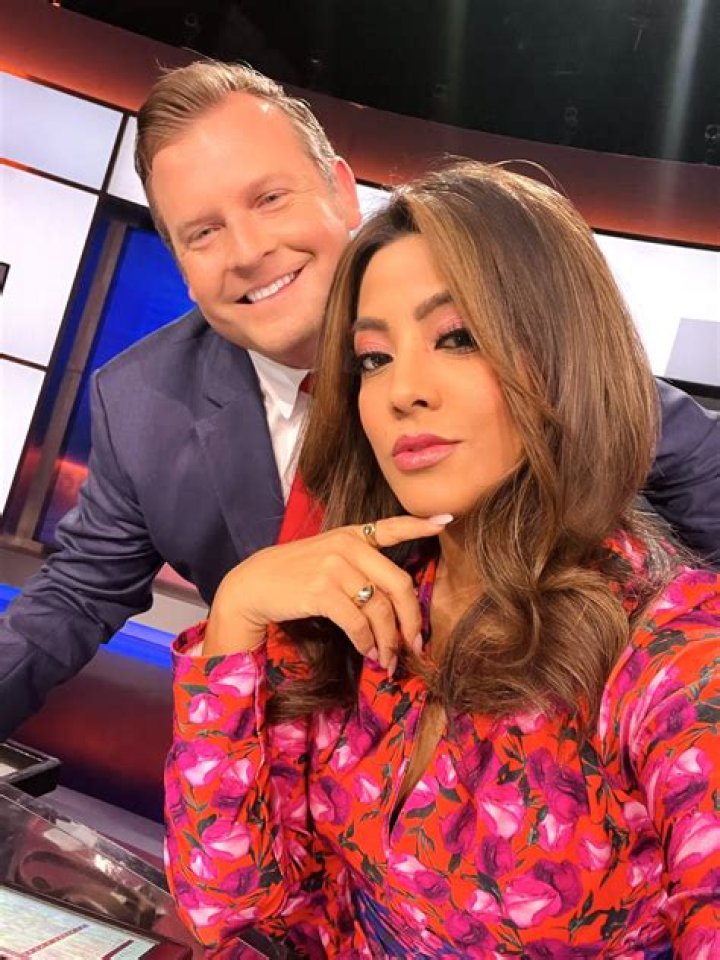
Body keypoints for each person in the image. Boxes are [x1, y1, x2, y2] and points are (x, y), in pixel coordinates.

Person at [0, 61, 717, 740]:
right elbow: (72, 598)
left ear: (343, 192)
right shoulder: (139, 403)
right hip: (283, 775)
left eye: (269, 198)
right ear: (183, 266)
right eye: (204, 233)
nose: (247, 251)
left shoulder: (506, 335)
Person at [164, 162, 720, 959]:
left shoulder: (676, 657)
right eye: (373, 358)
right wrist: (236, 612)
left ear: (562, 358)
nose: (403, 391)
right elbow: (227, 905)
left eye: (457, 338)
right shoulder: (355, 601)